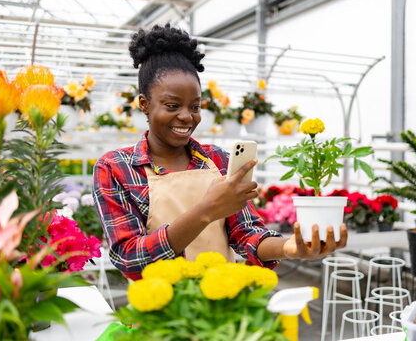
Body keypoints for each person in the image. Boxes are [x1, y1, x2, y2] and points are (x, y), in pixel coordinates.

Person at [93, 24, 347, 280]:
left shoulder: (217, 159)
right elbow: (129, 258)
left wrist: (290, 248)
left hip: (222, 310)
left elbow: (246, 233)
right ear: (144, 104)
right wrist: (206, 211)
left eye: (195, 106)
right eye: (172, 105)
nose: (186, 116)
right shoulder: (116, 167)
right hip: (161, 315)